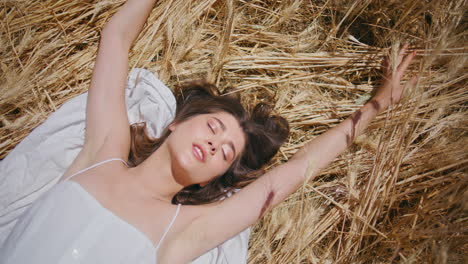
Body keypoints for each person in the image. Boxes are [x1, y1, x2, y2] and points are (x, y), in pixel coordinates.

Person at [0, 0, 416, 263]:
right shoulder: (102, 151)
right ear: (177, 122)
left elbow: (294, 172)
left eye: (226, 153)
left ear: (215, 179)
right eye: (215, 127)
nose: (217, 142)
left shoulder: (184, 230)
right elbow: (117, 36)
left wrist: (378, 104)